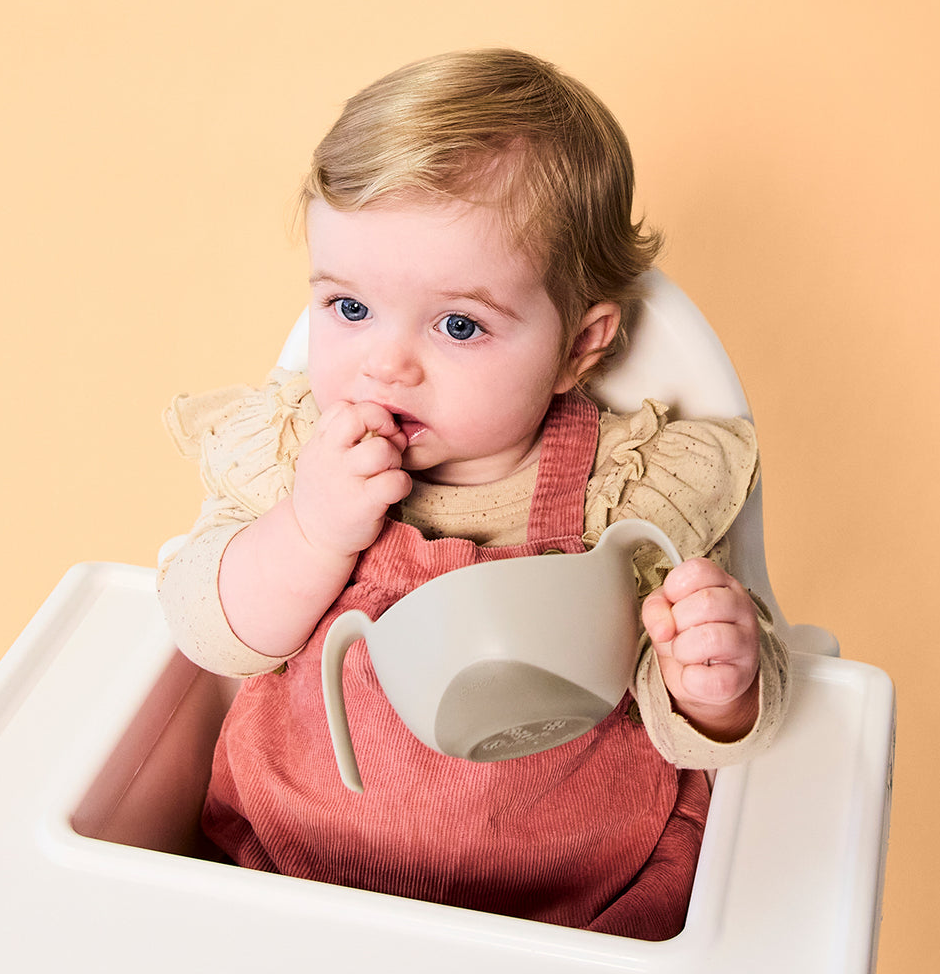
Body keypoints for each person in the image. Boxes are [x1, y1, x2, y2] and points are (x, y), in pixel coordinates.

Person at [158, 48, 790, 941]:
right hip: (290, 882)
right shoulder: (297, 452)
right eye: (347, 308)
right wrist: (309, 528)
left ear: (580, 346)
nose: (385, 361)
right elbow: (209, 633)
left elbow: (699, 722)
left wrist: (714, 687)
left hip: (573, 908)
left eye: (458, 324)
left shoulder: (631, 493)